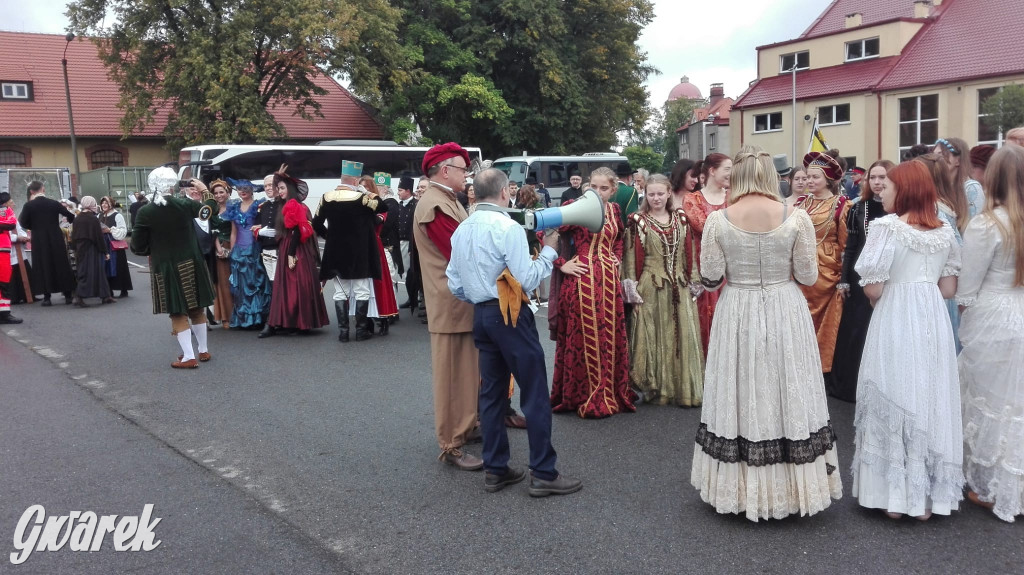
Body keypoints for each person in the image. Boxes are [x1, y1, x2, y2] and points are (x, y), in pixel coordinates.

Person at [690, 147, 842, 522]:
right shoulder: (797, 217)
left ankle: (741, 487)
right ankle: (792, 487)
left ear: (738, 176)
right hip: (785, 306)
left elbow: (710, 278)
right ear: (771, 176)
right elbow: (807, 275)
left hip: (737, 308)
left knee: (740, 385)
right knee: (787, 384)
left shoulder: (718, 220)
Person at [446, 168, 582, 496]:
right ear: (505, 191)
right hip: (510, 313)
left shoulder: (462, 228)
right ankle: (544, 472)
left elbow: (455, 283)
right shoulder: (507, 227)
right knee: (534, 392)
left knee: (492, 394)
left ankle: (496, 469)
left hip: (482, 314)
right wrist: (549, 250)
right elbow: (527, 279)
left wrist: (481, 297)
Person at [851, 159, 962, 521]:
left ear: (906, 189)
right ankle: (925, 498)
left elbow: (873, 288)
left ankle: (892, 496)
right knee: (928, 394)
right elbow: (949, 288)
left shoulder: (886, 228)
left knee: (893, 389)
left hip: (896, 313)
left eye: (889, 184)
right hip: (932, 315)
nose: (882, 189)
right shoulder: (944, 231)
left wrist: (889, 294)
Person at [957, 144, 1024, 523]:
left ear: (993, 179)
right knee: (1017, 401)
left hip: (994, 314)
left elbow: (967, 290)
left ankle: (988, 485)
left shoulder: (987, 224)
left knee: (991, 399)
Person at [414, 142, 483, 470]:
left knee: (466, 373)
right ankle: (451, 444)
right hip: (450, 303)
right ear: (445, 171)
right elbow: (460, 253)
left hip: (459, 302)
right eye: (462, 169)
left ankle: (464, 427)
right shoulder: (435, 204)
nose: (466, 176)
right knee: (453, 377)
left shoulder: (445, 200)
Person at [549, 167, 636, 418]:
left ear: (613, 190)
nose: (598, 192)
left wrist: (616, 257)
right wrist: (561, 264)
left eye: (604, 188)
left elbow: (618, 238)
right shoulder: (575, 206)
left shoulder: (615, 210)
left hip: (609, 282)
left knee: (609, 335)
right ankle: (582, 394)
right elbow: (545, 230)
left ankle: (610, 391)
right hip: (582, 281)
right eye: (594, 187)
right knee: (585, 337)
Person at [622, 174, 703, 406]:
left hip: (680, 285)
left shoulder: (681, 219)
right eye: (651, 194)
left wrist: (694, 280)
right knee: (655, 335)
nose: (656, 198)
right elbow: (630, 259)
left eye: (660, 193)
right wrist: (632, 290)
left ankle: (681, 388)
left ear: (668, 193)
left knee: (680, 336)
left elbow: (690, 253)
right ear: (645, 195)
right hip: (651, 285)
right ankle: (658, 387)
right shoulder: (637, 222)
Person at [131, 168, 216, 368]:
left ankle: (189, 357)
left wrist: (152, 249)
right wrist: (205, 190)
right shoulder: (184, 204)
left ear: (152, 185)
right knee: (196, 308)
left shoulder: (146, 211)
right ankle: (203, 350)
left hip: (166, 265)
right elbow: (208, 211)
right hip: (192, 262)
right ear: (172, 185)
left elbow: (137, 245)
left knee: (177, 312)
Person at [828, 159, 893, 403]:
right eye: (872, 177)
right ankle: (851, 387)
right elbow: (852, 247)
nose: (877, 182)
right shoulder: (859, 209)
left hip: (890, 278)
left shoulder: (897, 209)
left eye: (882, 177)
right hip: (860, 279)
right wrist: (844, 280)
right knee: (857, 331)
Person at [794, 151, 850, 377]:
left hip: (827, 270)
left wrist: (844, 277)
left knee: (826, 321)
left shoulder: (841, 205)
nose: (809, 181)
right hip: (800, 267)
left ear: (828, 179)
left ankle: (823, 368)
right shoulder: (800, 203)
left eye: (815, 177)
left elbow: (846, 245)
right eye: (807, 177)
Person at [266, 168, 330, 335]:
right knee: (289, 285)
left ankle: (299, 322)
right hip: (290, 246)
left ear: (290, 189)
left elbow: (297, 231)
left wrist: (290, 254)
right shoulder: (289, 204)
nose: (279, 191)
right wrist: (278, 176)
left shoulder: (294, 205)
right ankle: (291, 322)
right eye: (278, 188)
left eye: (282, 188)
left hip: (295, 248)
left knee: (296, 284)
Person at [682, 153, 730, 357]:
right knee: (705, 318)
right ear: (712, 171)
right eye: (727, 169)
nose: (731, 173)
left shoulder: (733, 196)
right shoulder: (692, 199)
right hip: (703, 267)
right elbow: (703, 226)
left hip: (732, 267)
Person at [18, 181, 76, 306]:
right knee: (61, 263)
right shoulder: (54, 203)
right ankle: (68, 295)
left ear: (31, 192)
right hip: (56, 237)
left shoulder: (29, 206)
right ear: (43, 189)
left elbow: (23, 222)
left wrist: (34, 227)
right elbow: (70, 215)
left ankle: (47, 297)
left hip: (39, 239)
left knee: (43, 265)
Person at [223, 181, 271, 329]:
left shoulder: (259, 205)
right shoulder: (234, 207)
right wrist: (232, 251)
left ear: (252, 190)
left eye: (245, 189)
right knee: (241, 286)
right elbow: (233, 232)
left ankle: (257, 318)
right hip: (238, 250)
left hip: (254, 249)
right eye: (239, 189)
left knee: (255, 283)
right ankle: (244, 319)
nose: (242, 191)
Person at [357, 174, 399, 336]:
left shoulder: (380, 205)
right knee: (362, 286)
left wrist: (367, 202)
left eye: (366, 187)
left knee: (379, 285)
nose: (363, 190)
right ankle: (365, 321)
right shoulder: (357, 205)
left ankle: (384, 320)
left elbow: (377, 221)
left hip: (375, 247)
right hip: (360, 248)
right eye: (361, 187)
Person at [69, 196, 115, 307]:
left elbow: (73, 235)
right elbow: (98, 237)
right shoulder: (93, 219)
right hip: (92, 249)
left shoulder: (77, 218)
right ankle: (79, 297)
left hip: (80, 248)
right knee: (97, 272)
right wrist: (105, 251)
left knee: (84, 271)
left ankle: (105, 296)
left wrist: (74, 247)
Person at [935, 137, 983, 224]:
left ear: (958, 160)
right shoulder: (935, 187)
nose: (935, 160)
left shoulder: (971, 188)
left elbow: (976, 226)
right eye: (934, 155)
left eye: (941, 155)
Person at [208, 180, 234, 328]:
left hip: (234, 245)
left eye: (221, 192)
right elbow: (212, 231)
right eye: (216, 193)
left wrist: (233, 249)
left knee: (237, 281)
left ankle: (239, 315)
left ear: (227, 193)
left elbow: (236, 230)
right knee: (223, 283)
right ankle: (226, 317)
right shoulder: (212, 210)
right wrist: (219, 249)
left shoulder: (234, 207)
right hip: (219, 247)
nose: (218, 195)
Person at [99, 196, 132, 298]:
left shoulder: (117, 216)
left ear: (111, 204)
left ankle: (123, 289)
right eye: (102, 203)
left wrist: (110, 230)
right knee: (106, 266)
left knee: (119, 266)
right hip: (104, 245)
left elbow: (123, 231)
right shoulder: (100, 215)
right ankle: (109, 289)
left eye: (106, 203)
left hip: (115, 245)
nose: (104, 205)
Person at [254, 174, 281, 292]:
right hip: (265, 250)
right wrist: (260, 232)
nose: (268, 188)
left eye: (270, 185)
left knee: (280, 282)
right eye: (265, 186)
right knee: (271, 282)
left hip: (280, 249)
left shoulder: (284, 204)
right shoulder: (263, 206)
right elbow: (255, 227)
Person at [0, 192, 23, 324]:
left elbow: (12, 224)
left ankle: (4, 313)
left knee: (4, 282)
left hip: (3, 250)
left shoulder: (7, 210)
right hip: (3, 249)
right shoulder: (6, 211)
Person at [4, 195, 32, 306]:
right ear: (5, 204)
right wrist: (17, 238)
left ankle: (28, 295)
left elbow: (19, 229)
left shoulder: (12, 216)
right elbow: (4, 235)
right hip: (8, 251)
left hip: (19, 251)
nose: (14, 204)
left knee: (25, 273)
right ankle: (14, 297)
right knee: (12, 277)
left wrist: (24, 237)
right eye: (11, 202)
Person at [396, 176, 418, 309]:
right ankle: (411, 298)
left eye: (400, 190)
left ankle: (414, 298)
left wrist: (411, 247)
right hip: (399, 242)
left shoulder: (416, 205)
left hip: (409, 243)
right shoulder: (398, 205)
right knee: (404, 272)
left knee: (411, 273)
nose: (398, 193)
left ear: (408, 191)